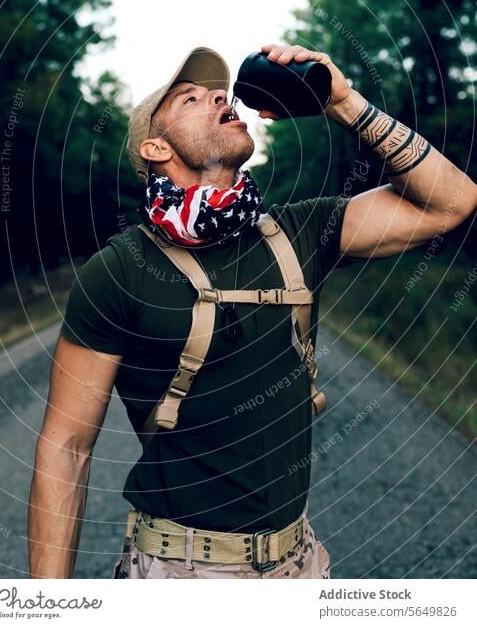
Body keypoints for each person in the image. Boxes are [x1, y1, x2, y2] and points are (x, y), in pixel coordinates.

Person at [27, 43, 476, 579]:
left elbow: (452, 201)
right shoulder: (119, 270)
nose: (219, 95)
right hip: (180, 575)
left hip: (300, 561)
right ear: (155, 148)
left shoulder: (298, 232)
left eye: (219, 91)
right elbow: (68, 447)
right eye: (190, 98)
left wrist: (344, 102)